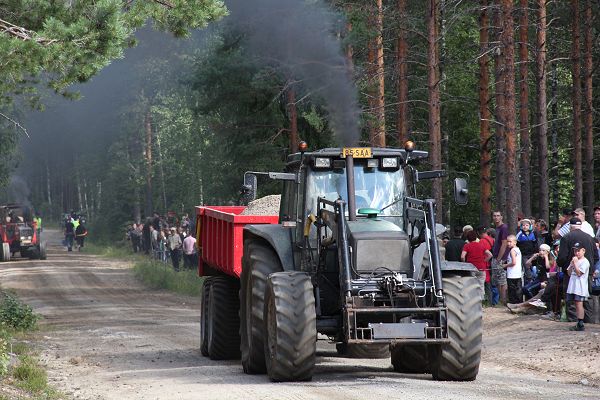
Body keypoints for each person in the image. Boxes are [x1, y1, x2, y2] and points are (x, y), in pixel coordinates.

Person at [556, 217, 598, 322]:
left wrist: (563, 266)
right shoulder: (589, 237)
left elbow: (561, 257)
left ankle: (574, 320)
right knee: (587, 297)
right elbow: (596, 256)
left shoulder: (566, 237)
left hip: (571, 273)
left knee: (572, 297)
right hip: (587, 272)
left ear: (570, 227)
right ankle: (589, 321)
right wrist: (591, 269)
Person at [461, 230, 492, 302]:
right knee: (481, 285)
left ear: (468, 238)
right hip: (481, 268)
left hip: (471, 268)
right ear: (476, 237)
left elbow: (462, 256)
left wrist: (465, 264)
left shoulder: (467, 246)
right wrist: (484, 261)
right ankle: (480, 302)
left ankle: (472, 301)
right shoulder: (481, 245)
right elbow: (490, 255)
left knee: (471, 286)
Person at [566, 242, 590, 331]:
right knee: (576, 303)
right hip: (573, 285)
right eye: (575, 251)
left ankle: (580, 323)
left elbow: (579, 273)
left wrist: (575, 264)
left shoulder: (585, 261)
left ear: (583, 251)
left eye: (578, 251)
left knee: (579, 303)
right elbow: (568, 273)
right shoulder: (575, 261)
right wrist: (571, 264)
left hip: (580, 287)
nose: (576, 253)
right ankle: (578, 322)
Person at [491, 210, 509, 305]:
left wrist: (499, 258)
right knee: (497, 280)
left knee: (502, 280)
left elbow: (504, 243)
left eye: (498, 215)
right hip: (495, 256)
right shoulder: (497, 228)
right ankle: (501, 301)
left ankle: (504, 301)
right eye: (494, 216)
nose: (496, 217)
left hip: (501, 258)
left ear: (501, 217)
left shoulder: (504, 228)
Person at [516, 218, 539, 285]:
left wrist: (536, 252)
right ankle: (529, 280)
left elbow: (535, 244)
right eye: (523, 225)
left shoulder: (533, 234)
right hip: (524, 254)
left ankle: (535, 278)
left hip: (532, 254)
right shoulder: (520, 234)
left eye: (526, 225)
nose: (525, 227)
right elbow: (517, 244)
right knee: (526, 266)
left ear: (530, 226)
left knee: (533, 267)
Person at [503, 234, 522, 304]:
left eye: (510, 242)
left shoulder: (512, 251)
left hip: (512, 274)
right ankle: (519, 303)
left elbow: (514, 262)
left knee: (512, 291)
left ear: (515, 242)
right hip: (518, 274)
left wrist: (505, 265)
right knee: (518, 290)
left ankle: (513, 304)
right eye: (507, 241)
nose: (508, 243)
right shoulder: (518, 249)